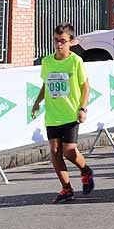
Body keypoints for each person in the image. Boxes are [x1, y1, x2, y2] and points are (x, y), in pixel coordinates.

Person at [30, 23, 93, 203]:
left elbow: (85, 87)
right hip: (53, 114)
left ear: (71, 42)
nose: (59, 45)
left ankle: (85, 170)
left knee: (69, 151)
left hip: (71, 113)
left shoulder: (75, 61)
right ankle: (66, 188)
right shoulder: (47, 61)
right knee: (55, 151)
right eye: (56, 41)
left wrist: (82, 108)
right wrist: (37, 102)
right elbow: (46, 84)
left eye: (63, 41)